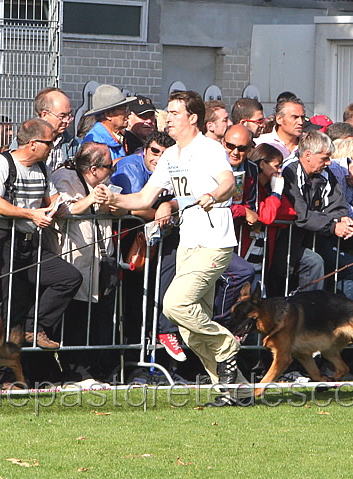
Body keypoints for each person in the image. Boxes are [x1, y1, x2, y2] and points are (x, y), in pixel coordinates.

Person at [95, 90, 254, 406]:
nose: (168, 119)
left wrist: (215, 195)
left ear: (193, 118)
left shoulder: (208, 149)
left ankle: (227, 345)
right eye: (167, 112)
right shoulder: (169, 156)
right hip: (188, 245)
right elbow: (143, 199)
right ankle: (237, 391)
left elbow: (227, 183)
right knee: (192, 330)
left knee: (175, 305)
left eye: (175, 113)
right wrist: (112, 199)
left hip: (213, 244)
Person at [0, 118, 82, 349]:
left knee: (68, 278)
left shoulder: (43, 168)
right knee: (2, 310)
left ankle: (33, 327)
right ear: (33, 144)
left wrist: (60, 208)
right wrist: (30, 214)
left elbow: (52, 201)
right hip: (2, 243)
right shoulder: (1, 164)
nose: (53, 147)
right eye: (49, 142)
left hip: (30, 245)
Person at [45, 142, 124, 383]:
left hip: (101, 259)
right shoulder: (64, 177)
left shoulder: (103, 183)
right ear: (93, 168)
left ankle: (96, 369)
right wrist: (90, 199)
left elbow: (119, 211)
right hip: (74, 258)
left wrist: (111, 201)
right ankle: (74, 371)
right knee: (76, 318)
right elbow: (62, 210)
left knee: (99, 318)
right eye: (109, 167)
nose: (111, 171)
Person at [111, 131, 186, 361]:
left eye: (165, 154)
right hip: (130, 244)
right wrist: (163, 213)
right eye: (154, 152)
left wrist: (169, 208)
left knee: (159, 297)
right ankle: (135, 364)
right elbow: (134, 206)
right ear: (144, 150)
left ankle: (160, 362)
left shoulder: (175, 166)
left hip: (159, 244)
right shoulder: (130, 166)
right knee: (135, 304)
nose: (158, 158)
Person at [274, 130, 353, 304]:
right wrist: (333, 226)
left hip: (316, 238)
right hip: (287, 243)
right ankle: (309, 318)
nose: (329, 162)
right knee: (314, 263)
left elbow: (338, 204)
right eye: (324, 158)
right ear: (308, 155)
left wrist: (343, 219)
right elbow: (302, 215)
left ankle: (349, 322)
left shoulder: (325, 173)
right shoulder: (289, 171)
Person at [82, 84, 136, 161]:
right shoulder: (95, 142)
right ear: (108, 115)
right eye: (124, 109)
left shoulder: (122, 137)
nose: (129, 113)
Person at [33, 87, 79, 172]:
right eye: (62, 116)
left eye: (69, 116)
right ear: (44, 115)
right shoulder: (25, 141)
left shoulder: (74, 144)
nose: (66, 121)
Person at [255, 97, 305, 165]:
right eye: (295, 117)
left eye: (302, 117)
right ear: (279, 119)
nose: (300, 122)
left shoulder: (309, 144)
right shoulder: (261, 143)